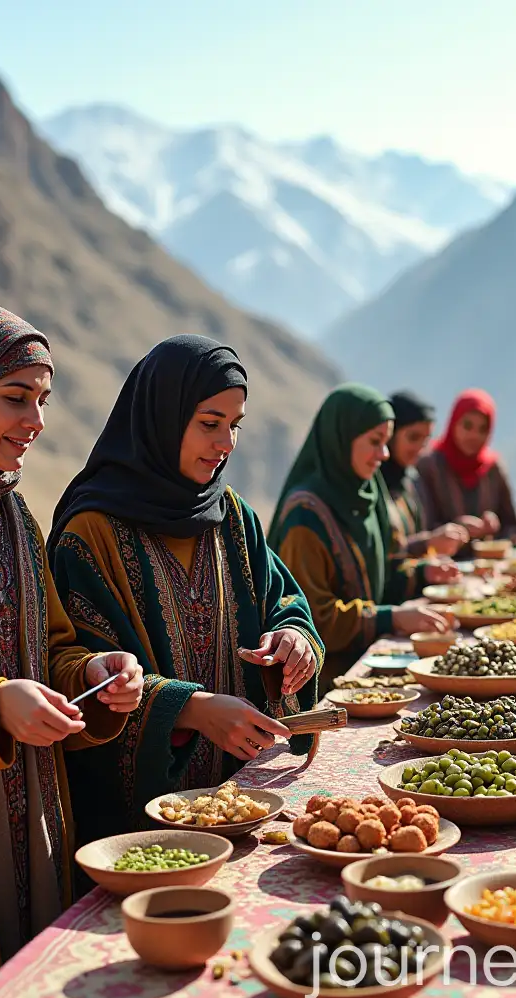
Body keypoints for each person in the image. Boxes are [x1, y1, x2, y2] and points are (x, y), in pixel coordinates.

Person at [0, 295, 144, 998]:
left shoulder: (10, 512)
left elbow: (51, 650)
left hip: (36, 838)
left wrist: (94, 676)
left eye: (43, 400)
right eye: (16, 398)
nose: (36, 424)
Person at [47, 335, 325, 848]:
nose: (226, 444)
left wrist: (293, 638)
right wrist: (190, 708)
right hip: (141, 831)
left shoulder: (233, 517)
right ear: (163, 417)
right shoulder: (90, 535)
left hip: (245, 803)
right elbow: (75, 672)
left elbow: (285, 600)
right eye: (209, 424)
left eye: (234, 425)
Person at [269, 384, 452, 677]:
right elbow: (314, 617)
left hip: (375, 662)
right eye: (375, 441)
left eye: (387, 442)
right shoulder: (305, 514)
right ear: (342, 438)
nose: (384, 454)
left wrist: (424, 574)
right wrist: (390, 619)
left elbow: (384, 575)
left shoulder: (368, 493)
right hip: (325, 680)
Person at [415, 388, 516, 543]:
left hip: (488, 563)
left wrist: (494, 526)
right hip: (441, 564)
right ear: (453, 423)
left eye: (483, 429)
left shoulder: (493, 468)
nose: (474, 436)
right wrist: (456, 528)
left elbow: (512, 525)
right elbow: (421, 526)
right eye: (467, 426)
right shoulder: (429, 466)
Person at [382, 391, 468, 557]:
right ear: (391, 434)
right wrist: (427, 543)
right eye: (413, 438)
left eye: (425, 439)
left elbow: (424, 529)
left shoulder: (412, 478)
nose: (420, 449)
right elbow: (382, 553)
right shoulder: (375, 483)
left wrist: (456, 529)